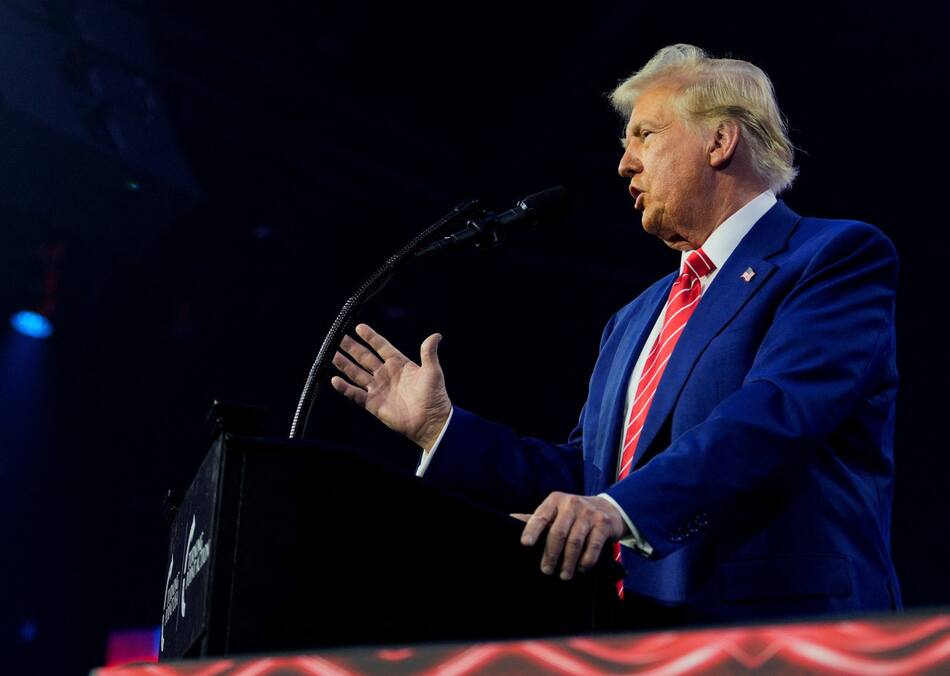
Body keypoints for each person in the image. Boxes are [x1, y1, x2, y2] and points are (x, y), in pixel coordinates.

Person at [330, 44, 901, 625]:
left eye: (645, 135)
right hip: (636, 636)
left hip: (787, 629)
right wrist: (439, 429)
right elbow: (590, 481)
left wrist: (616, 508)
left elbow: (774, 413)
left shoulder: (832, 257)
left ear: (720, 141)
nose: (624, 165)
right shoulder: (634, 319)